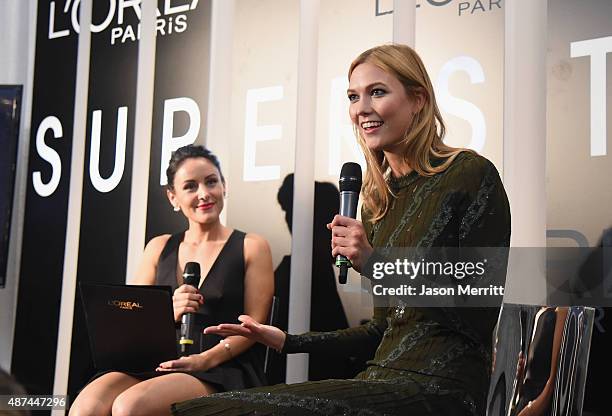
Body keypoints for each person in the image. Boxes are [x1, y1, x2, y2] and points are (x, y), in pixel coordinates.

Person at [173, 43, 511, 416]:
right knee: (199, 409)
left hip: (445, 386)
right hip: (380, 376)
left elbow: (480, 309)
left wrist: (377, 264)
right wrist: (285, 340)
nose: (361, 108)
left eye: (377, 92)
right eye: (353, 96)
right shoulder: (378, 203)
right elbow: (379, 331)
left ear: (418, 99)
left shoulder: (469, 174)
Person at [69, 145, 274, 416]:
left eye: (211, 182)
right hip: (157, 361)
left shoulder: (252, 246)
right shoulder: (158, 247)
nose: (204, 193)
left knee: (130, 407)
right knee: (85, 407)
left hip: (221, 367)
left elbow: (254, 329)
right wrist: (167, 313)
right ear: (173, 197)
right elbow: (131, 323)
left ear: (224, 186)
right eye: (190, 186)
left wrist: (204, 360)